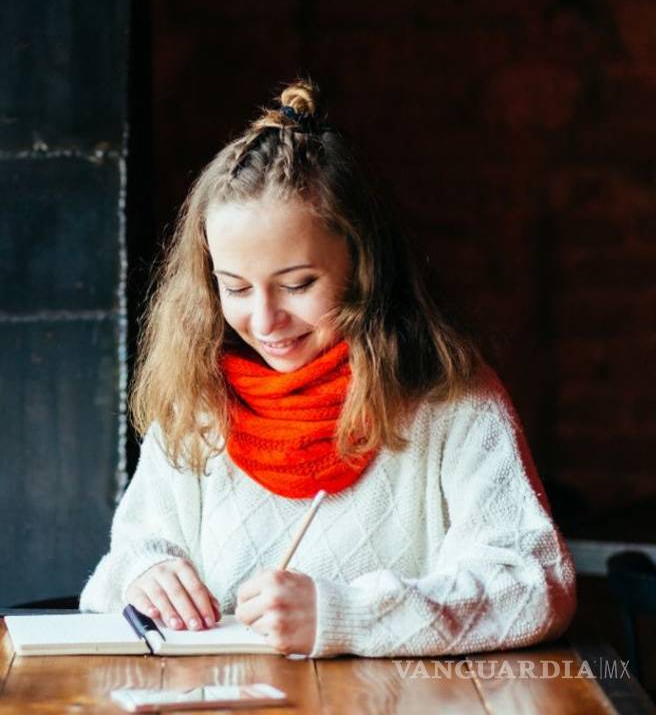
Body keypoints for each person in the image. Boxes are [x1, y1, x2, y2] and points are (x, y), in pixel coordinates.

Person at [79, 80, 576, 658]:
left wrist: (347, 616)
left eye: (297, 284)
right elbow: (123, 566)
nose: (265, 320)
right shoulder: (200, 402)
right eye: (234, 287)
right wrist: (145, 575)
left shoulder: (452, 399)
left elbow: (535, 586)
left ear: (362, 265)